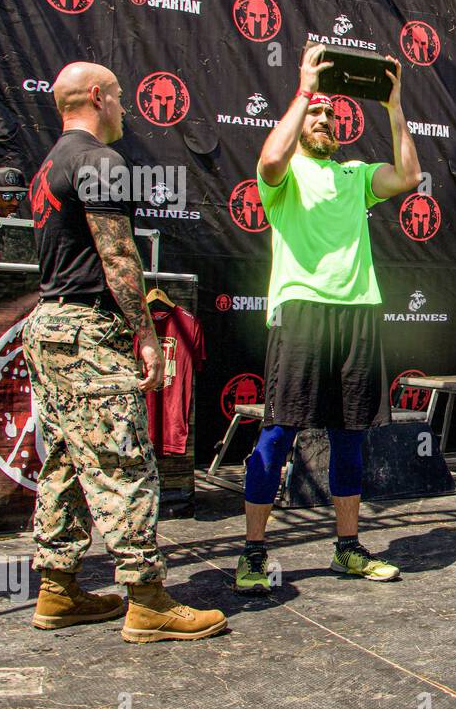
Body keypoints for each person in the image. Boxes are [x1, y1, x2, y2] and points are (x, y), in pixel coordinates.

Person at [24, 62, 226, 642]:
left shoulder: (50, 164)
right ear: (97, 97)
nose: (123, 109)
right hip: (88, 331)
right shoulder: (99, 161)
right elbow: (117, 258)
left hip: (50, 326)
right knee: (122, 462)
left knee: (65, 460)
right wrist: (145, 334)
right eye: (117, 97)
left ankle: (58, 589)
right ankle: (147, 599)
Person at [234, 44, 421, 594]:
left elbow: (409, 176)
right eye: (317, 113)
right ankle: (252, 553)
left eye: (332, 116)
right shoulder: (285, 174)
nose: (325, 120)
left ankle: (347, 549)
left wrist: (392, 105)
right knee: (278, 432)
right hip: (301, 313)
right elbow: (268, 161)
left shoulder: (356, 174)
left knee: (348, 438)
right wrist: (305, 90)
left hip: (357, 311)